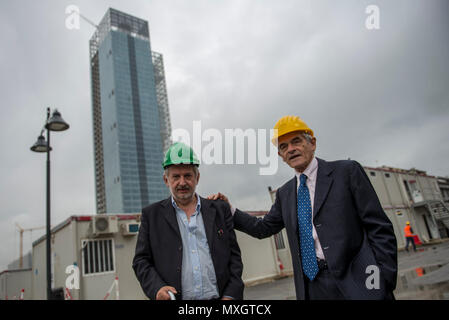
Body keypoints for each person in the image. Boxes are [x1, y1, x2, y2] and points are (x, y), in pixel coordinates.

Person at [210, 115, 398, 300]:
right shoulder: (285, 194)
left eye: (296, 141)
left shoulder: (346, 173)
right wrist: (230, 209)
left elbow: (379, 228)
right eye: (284, 146)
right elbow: (263, 228)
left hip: (360, 281)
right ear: (280, 155)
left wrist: (384, 278)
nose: (290, 149)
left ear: (312, 143)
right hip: (313, 287)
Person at [133, 142, 244, 300]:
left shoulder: (219, 210)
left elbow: (234, 258)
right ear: (166, 180)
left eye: (188, 176)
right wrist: (157, 288)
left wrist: (230, 295)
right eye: (176, 177)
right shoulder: (151, 216)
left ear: (197, 177)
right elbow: (140, 260)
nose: (182, 182)